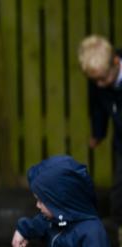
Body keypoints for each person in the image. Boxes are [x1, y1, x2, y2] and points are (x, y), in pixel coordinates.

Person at [11, 156, 110, 247]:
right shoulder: (53, 219)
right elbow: (35, 225)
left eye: (41, 201)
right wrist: (21, 231)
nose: (37, 205)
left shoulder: (92, 233)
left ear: (59, 202)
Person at [78, 34, 122, 232]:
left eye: (104, 79)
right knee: (119, 193)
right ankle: (119, 227)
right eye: (95, 80)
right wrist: (98, 133)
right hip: (121, 141)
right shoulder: (99, 80)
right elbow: (98, 108)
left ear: (116, 62)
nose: (100, 85)